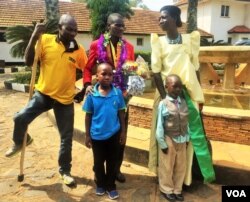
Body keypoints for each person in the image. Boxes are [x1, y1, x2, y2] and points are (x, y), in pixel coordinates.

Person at [5, 14, 88, 186]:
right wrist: (34, 36)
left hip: (65, 100)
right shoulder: (45, 40)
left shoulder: (78, 50)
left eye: (75, 29)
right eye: (69, 29)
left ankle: (64, 171)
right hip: (44, 95)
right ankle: (21, 141)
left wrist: (84, 88)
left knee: (66, 138)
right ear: (59, 27)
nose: (73, 32)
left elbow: (86, 69)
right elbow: (29, 61)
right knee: (19, 118)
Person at [148, 5, 215, 186]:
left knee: (188, 136)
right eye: (159, 18)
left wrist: (198, 96)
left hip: (186, 94)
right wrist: (165, 99)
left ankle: (184, 178)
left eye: (164, 17)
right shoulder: (158, 42)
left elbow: (195, 68)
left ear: (175, 18)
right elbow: (155, 73)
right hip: (164, 94)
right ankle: (163, 177)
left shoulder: (189, 40)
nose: (160, 21)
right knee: (162, 134)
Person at [82, 13, 134, 183]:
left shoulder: (129, 47)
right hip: (101, 96)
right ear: (108, 25)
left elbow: (132, 70)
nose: (120, 28)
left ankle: (116, 169)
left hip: (121, 98)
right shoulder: (96, 45)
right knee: (100, 133)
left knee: (120, 135)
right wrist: (87, 84)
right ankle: (98, 169)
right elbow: (88, 68)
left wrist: (136, 79)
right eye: (116, 25)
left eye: (122, 26)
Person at [83, 62, 126, 200]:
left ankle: (111, 185)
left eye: (110, 74)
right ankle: (100, 184)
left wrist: (123, 133)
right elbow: (88, 115)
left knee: (112, 162)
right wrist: (87, 135)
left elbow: (121, 113)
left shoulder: (117, 93)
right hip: (97, 136)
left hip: (114, 135)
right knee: (98, 162)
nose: (107, 77)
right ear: (97, 76)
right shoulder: (91, 94)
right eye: (104, 74)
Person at [156, 74, 188, 202]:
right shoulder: (163, 104)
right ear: (166, 87)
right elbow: (159, 125)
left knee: (181, 166)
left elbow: (187, 122)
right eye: (174, 86)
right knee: (167, 166)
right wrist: (162, 143)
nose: (178, 89)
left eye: (180, 87)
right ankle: (167, 189)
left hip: (182, 139)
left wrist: (188, 137)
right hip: (169, 138)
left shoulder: (183, 102)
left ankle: (177, 189)